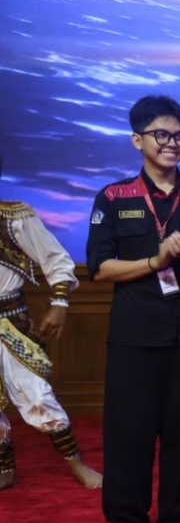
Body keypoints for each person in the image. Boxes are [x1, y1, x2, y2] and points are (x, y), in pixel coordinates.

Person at [86, 95, 180, 523]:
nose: (172, 143)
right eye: (161, 135)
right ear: (138, 140)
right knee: (128, 430)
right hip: (133, 333)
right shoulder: (114, 197)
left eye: (179, 135)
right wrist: (156, 259)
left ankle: (177, 521)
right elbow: (100, 268)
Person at [0, 157, 102, 492]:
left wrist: (59, 302)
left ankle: (76, 463)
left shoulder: (15, 217)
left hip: (9, 324)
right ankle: (4, 468)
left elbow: (56, 258)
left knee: (37, 397)